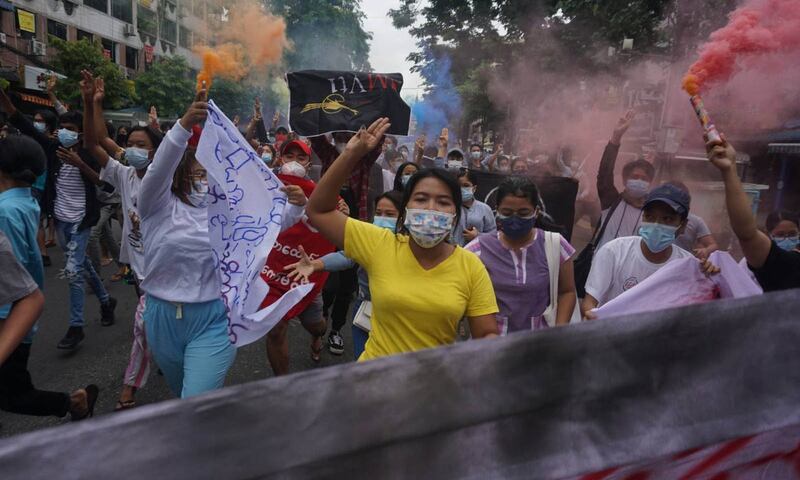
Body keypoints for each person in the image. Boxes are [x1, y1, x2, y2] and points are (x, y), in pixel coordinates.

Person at [306, 118, 499, 361]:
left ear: (455, 214)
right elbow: (319, 210)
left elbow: (486, 334)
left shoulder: (471, 266)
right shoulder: (380, 243)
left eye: (443, 202)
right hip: (374, 378)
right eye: (421, 199)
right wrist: (351, 155)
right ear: (405, 208)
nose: (430, 208)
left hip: (433, 381)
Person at [136, 89, 238, 398]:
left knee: (194, 401)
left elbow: (265, 226)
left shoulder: (227, 213)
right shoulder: (155, 205)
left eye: (209, 175)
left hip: (215, 318)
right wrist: (183, 126)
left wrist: (297, 208)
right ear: (180, 176)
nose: (204, 181)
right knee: (180, 392)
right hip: (161, 316)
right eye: (197, 174)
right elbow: (158, 170)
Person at [0, 88, 117, 349]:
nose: (64, 132)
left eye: (70, 129)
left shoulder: (90, 154)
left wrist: (80, 165)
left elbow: (107, 186)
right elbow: (22, 123)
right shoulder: (53, 148)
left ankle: (76, 326)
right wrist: (5, 100)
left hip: (81, 221)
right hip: (61, 220)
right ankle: (106, 301)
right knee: (82, 264)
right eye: (61, 128)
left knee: (74, 272)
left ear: (81, 133)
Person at [0, 136, 98, 421]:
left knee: (15, 395)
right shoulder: (23, 200)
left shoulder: (6, 211)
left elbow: (11, 273)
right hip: (16, 312)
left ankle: (75, 402)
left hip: (9, 316)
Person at [80, 72, 162, 410]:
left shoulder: (165, 179)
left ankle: (129, 387)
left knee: (142, 325)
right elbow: (94, 143)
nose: (134, 149)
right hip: (137, 265)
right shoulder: (125, 174)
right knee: (150, 320)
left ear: (157, 152)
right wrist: (91, 103)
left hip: (163, 265)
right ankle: (164, 347)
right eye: (131, 143)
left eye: (142, 145)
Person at [285, 191, 403, 360]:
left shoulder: (413, 246)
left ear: (403, 217)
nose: (382, 218)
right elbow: (347, 256)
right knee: (364, 359)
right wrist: (314, 265)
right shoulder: (371, 237)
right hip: (366, 308)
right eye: (378, 213)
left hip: (398, 313)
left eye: (390, 214)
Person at [582, 183, 718, 317]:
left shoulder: (687, 267)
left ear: (683, 225)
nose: (656, 225)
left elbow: (697, 313)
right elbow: (590, 302)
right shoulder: (614, 252)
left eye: (667, 219)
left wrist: (711, 277)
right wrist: (593, 319)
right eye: (650, 217)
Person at [466, 177, 577, 332]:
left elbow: (567, 292)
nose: (515, 219)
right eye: (507, 213)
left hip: (538, 340)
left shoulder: (555, 245)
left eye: (523, 213)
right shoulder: (477, 250)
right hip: (492, 339)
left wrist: (558, 331)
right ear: (497, 211)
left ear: (536, 212)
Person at [706, 137, 800, 291]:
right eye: (781, 234)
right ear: (769, 234)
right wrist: (729, 171)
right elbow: (747, 234)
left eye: (792, 234)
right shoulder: (789, 266)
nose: (787, 239)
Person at [594, 110, 656, 251]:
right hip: (602, 262)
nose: (639, 181)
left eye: (644, 179)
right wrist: (616, 137)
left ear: (650, 184)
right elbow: (604, 173)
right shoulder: (612, 201)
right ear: (624, 180)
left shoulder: (652, 214)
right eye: (634, 177)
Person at [310, 130, 383, 221]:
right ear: (334, 139)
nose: (344, 142)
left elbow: (377, 141)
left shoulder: (363, 157)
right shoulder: (328, 154)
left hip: (356, 210)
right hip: (330, 206)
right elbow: (316, 137)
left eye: (347, 138)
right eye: (340, 139)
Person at [669, 181, 718, 258]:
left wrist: (705, 250)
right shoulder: (653, 219)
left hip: (683, 262)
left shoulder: (696, 221)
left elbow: (713, 245)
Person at [453, 169, 496, 246]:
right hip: (453, 250)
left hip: (476, 251)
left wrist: (478, 236)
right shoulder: (451, 206)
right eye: (458, 186)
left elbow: (493, 236)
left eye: (466, 185)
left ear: (474, 188)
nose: (461, 189)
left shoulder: (485, 209)